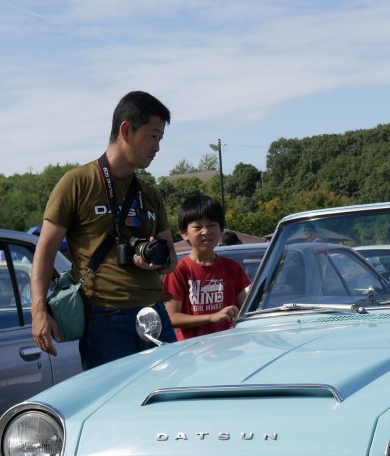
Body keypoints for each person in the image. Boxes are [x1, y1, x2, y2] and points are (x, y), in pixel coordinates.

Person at [30, 90, 177, 370]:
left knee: (165, 401)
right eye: (153, 136)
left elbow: (172, 257)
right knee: (114, 407)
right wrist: (38, 311)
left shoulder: (150, 193)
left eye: (160, 139)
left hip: (154, 313)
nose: (157, 147)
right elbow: (45, 250)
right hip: (105, 318)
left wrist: (157, 261)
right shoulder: (77, 182)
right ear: (126, 130)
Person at [163, 194, 251, 340]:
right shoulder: (178, 270)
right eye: (197, 227)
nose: (206, 231)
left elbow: (246, 309)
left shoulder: (232, 267)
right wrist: (211, 318)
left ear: (221, 230)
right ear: (184, 233)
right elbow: (172, 317)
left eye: (212, 225)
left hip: (231, 347)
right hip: (192, 352)